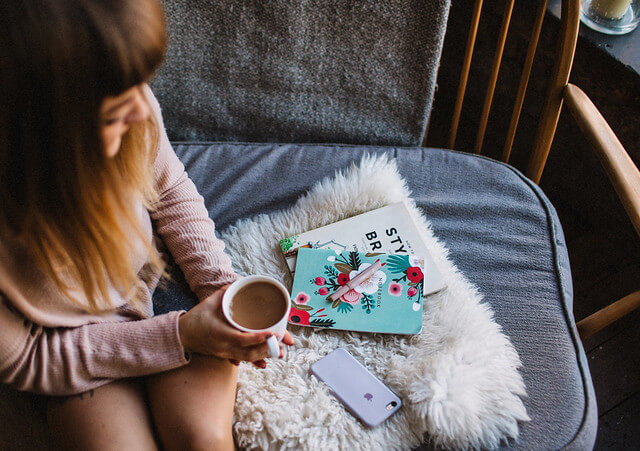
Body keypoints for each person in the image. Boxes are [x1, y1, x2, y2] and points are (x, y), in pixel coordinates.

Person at [0, 0, 293, 449]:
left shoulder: (125, 96)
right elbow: (29, 358)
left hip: (159, 279)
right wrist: (178, 334)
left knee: (202, 437)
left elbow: (171, 190)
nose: (143, 109)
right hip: (70, 344)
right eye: (112, 114)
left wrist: (220, 291)